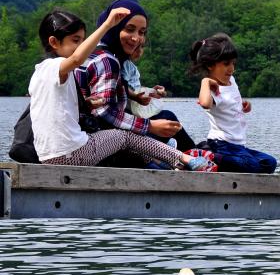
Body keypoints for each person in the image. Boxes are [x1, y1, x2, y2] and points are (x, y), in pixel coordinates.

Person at [29, 9, 215, 171]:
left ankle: (170, 162)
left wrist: (88, 103)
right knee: (125, 137)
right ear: (54, 42)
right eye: (76, 40)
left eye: (83, 40)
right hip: (71, 154)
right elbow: (77, 59)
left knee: (125, 141)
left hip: (48, 155)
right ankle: (185, 158)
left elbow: (58, 107)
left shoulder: (39, 73)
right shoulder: (57, 66)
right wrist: (107, 25)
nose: (82, 47)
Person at [77, 0, 197, 153]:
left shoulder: (91, 52)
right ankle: (195, 156)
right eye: (129, 29)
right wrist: (150, 126)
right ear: (113, 27)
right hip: (104, 142)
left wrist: (145, 95)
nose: (136, 38)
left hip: (92, 135)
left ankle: (191, 154)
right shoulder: (107, 61)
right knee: (168, 119)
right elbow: (104, 112)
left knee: (167, 117)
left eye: (142, 32)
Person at [190, 33, 278, 174]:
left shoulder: (231, 80)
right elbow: (205, 103)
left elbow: (231, 101)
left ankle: (225, 160)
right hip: (221, 144)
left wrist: (244, 104)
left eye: (233, 63)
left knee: (270, 163)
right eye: (226, 64)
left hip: (238, 145)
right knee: (251, 166)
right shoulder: (212, 89)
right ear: (210, 65)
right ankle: (208, 155)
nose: (231, 68)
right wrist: (205, 81)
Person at [122, 43, 166, 120]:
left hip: (135, 107)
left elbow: (134, 87)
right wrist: (135, 97)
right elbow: (122, 86)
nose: (139, 51)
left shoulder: (131, 66)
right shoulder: (125, 64)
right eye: (135, 47)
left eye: (142, 47)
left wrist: (150, 91)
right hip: (131, 109)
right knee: (168, 116)